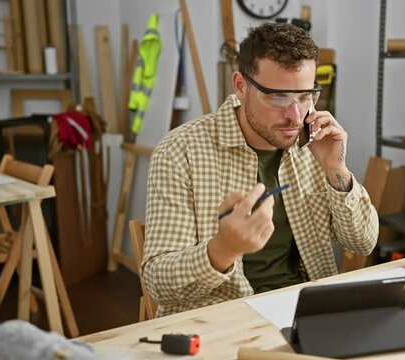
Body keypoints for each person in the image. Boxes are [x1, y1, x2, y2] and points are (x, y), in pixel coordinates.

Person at [143, 22, 378, 317]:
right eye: (278, 97)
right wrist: (222, 250)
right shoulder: (180, 151)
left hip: (304, 310)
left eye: (305, 97)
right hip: (218, 320)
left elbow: (364, 242)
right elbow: (158, 283)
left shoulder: (316, 145)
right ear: (241, 86)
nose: (295, 116)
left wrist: (337, 170)